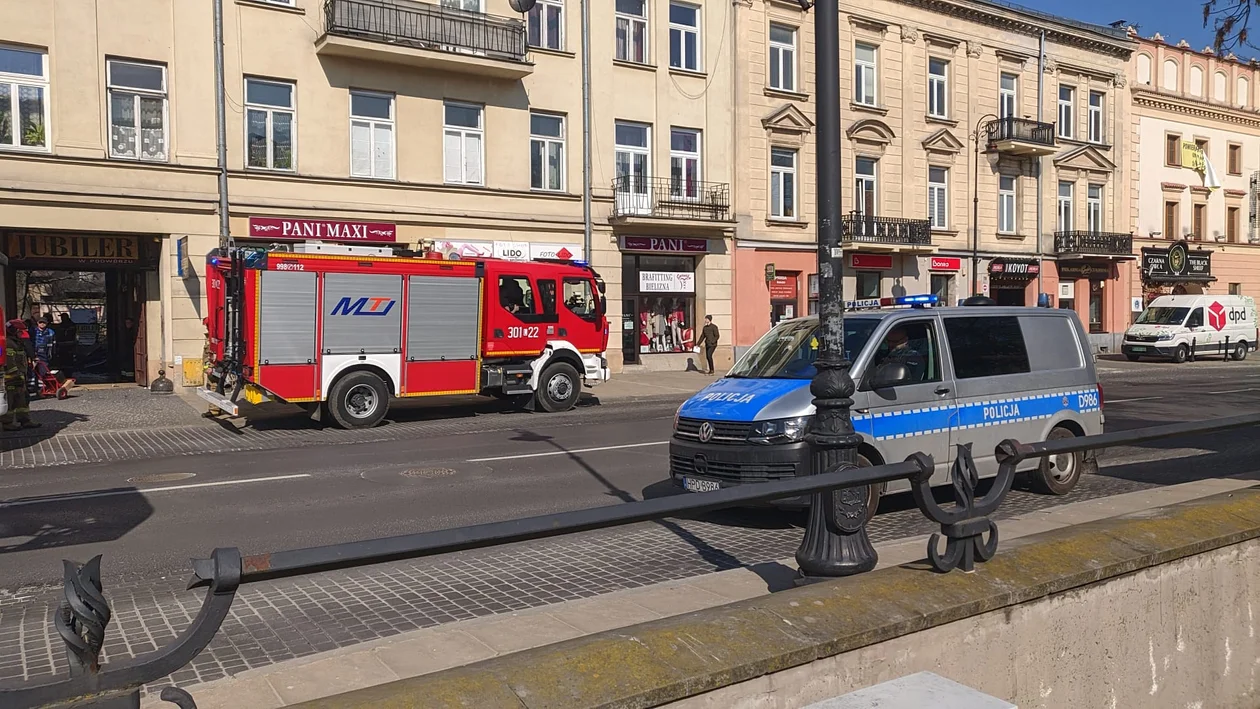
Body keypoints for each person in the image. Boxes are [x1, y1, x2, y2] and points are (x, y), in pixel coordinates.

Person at [2, 319, 41, 431]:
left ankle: (25, 420)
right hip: (12, 378)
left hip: (20, 376)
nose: (22, 334)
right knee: (10, 400)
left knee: (23, 399)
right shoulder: (9, 343)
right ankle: (7, 423)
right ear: (13, 331)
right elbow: (10, 363)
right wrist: (16, 375)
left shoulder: (17, 342)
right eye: (20, 331)